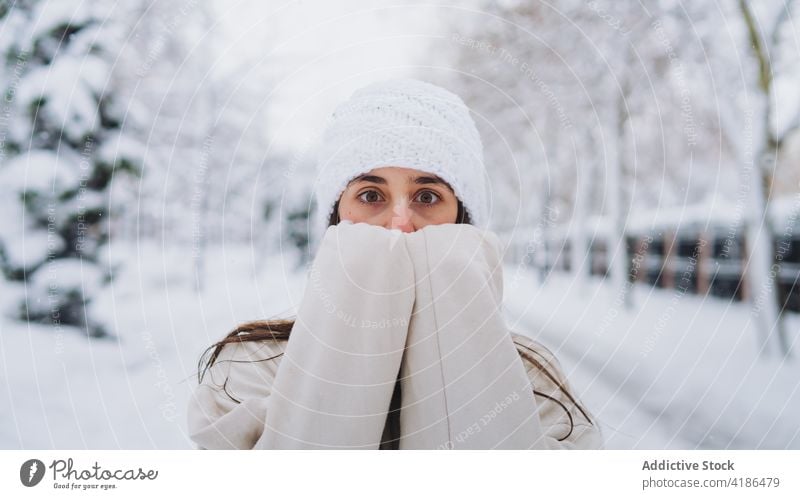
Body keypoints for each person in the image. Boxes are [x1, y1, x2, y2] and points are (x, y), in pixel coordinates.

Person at [186, 78, 604, 449]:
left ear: (463, 218)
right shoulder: (252, 369)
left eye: (427, 196)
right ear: (335, 216)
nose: (400, 223)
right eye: (371, 195)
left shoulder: (530, 378)